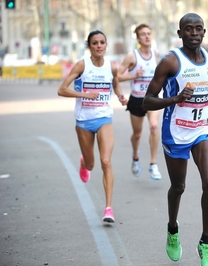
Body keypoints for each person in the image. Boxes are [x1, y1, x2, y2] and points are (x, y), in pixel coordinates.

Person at [143, 13, 208, 266]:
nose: (194, 33)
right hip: (175, 132)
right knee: (179, 187)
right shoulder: (170, 62)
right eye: (189, 29)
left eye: (199, 29)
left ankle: (205, 242)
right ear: (180, 33)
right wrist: (175, 99)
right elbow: (148, 101)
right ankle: (173, 230)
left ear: (204, 32)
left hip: (201, 129)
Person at [57, 30, 128, 223]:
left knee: (106, 161)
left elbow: (116, 84)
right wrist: (84, 95)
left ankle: (108, 208)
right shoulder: (82, 65)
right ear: (89, 46)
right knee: (92, 164)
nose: (99, 46)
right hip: (83, 121)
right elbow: (61, 90)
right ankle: (84, 163)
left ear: (106, 45)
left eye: (102, 42)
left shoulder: (112, 67)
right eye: (95, 43)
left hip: (104, 118)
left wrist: (121, 96)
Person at [118, 24, 162, 180]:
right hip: (136, 99)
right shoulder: (132, 56)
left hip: (152, 98)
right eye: (143, 34)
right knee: (137, 134)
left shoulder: (156, 55)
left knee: (154, 126)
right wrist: (134, 75)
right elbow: (117, 76)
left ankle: (153, 164)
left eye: (149, 33)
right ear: (137, 38)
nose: (147, 36)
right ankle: (135, 156)